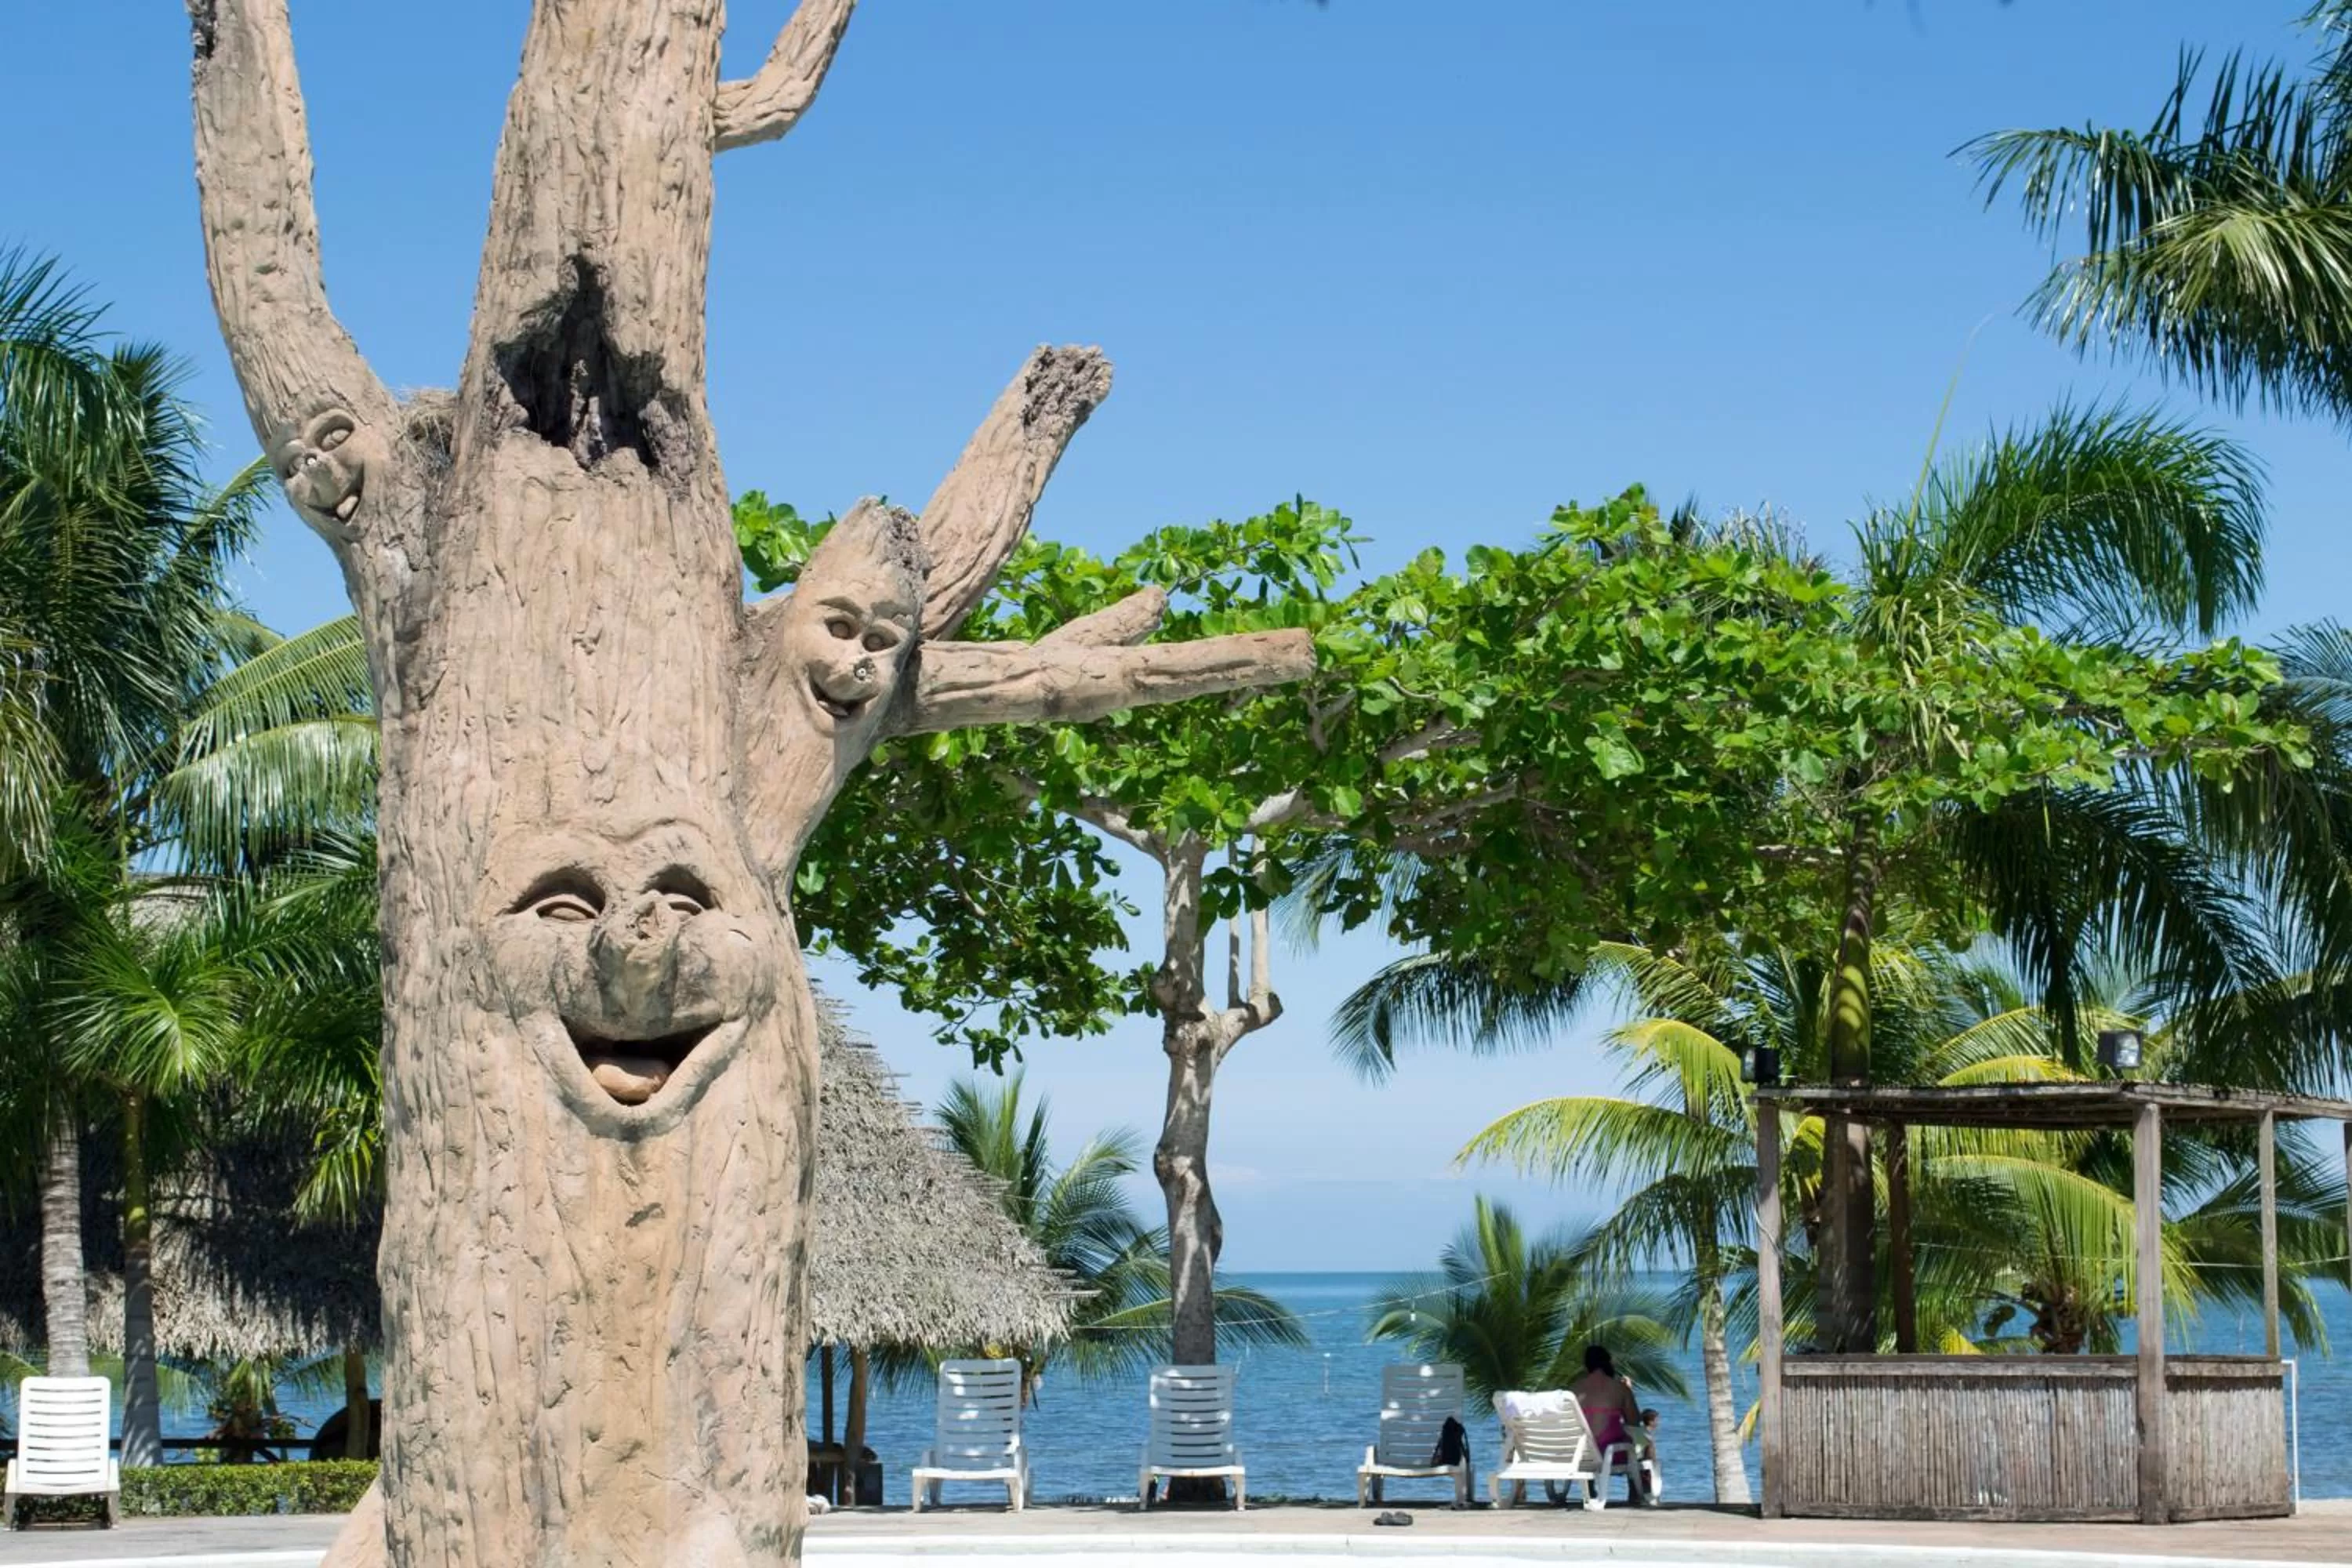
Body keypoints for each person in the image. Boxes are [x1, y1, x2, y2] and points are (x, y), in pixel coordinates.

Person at [1569, 1344, 1658, 1504]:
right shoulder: (1619, 1388)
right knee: (1641, 1442)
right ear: (1608, 1363)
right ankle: (1637, 1492)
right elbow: (1634, 1421)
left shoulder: (1574, 1389)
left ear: (1586, 1365)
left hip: (1580, 1453)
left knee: (1588, 1436)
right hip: (1610, 1454)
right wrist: (1628, 1392)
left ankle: (1589, 1488)